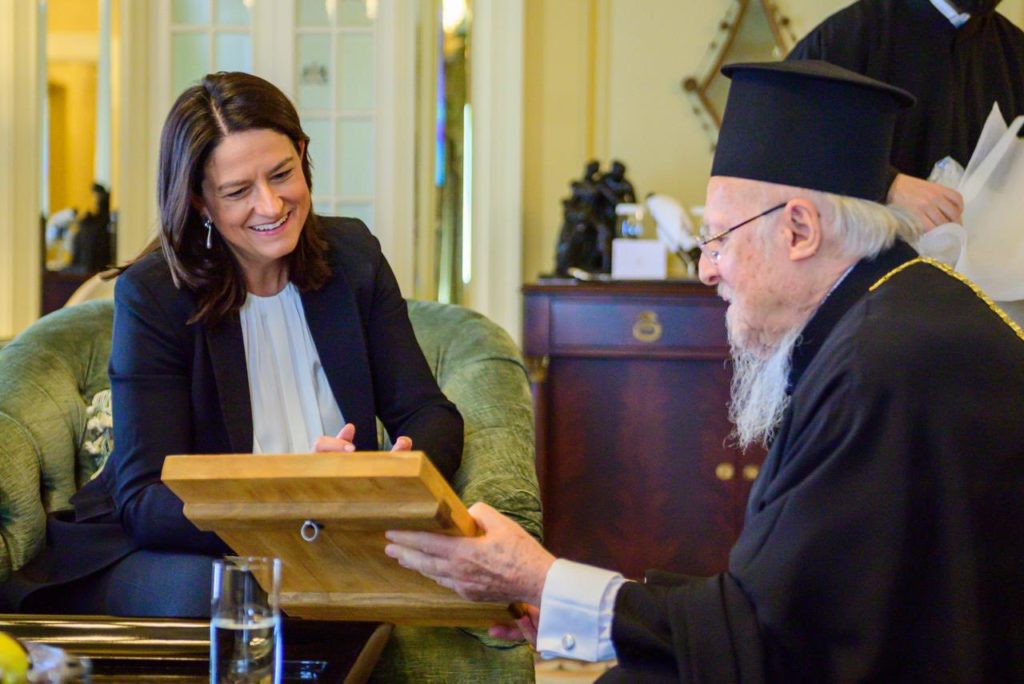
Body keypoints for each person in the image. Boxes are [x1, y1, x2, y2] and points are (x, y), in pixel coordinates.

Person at [384, 61, 1024, 682]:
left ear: (799, 229)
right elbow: (773, 606)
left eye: (717, 239)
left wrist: (536, 576)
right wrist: (560, 597)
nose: (706, 269)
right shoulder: (891, 316)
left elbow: (769, 645)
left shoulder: (878, 367)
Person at [1, 72, 464, 617]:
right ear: (200, 201)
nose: (270, 206)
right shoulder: (154, 294)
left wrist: (385, 481)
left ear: (302, 154)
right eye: (238, 191)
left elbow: (430, 414)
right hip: (169, 546)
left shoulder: (353, 257)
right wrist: (291, 503)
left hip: (330, 533)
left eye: (282, 174)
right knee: (240, 590)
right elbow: (146, 499)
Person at [787, 0, 1024, 230]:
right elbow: (785, 148)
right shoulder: (845, 38)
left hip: (982, 263)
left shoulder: (1015, 50)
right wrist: (888, 184)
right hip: (868, 260)